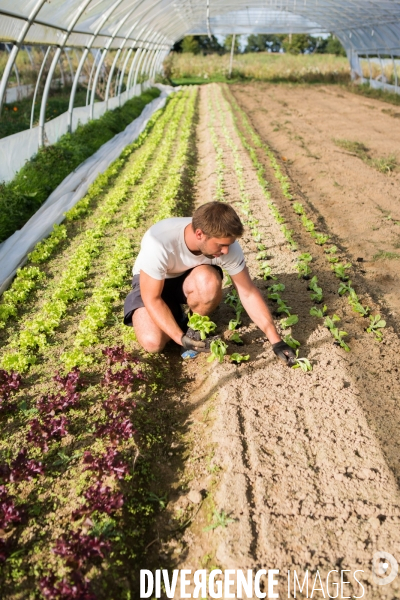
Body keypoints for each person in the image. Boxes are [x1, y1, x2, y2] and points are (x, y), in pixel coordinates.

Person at [123, 202, 295, 365]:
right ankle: (177, 321)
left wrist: (276, 341)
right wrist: (179, 337)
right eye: (221, 245)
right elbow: (152, 298)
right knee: (153, 343)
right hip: (152, 284)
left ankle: (193, 329)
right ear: (199, 234)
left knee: (209, 281)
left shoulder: (227, 246)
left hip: (189, 281)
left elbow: (247, 292)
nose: (226, 251)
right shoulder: (159, 242)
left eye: (229, 244)